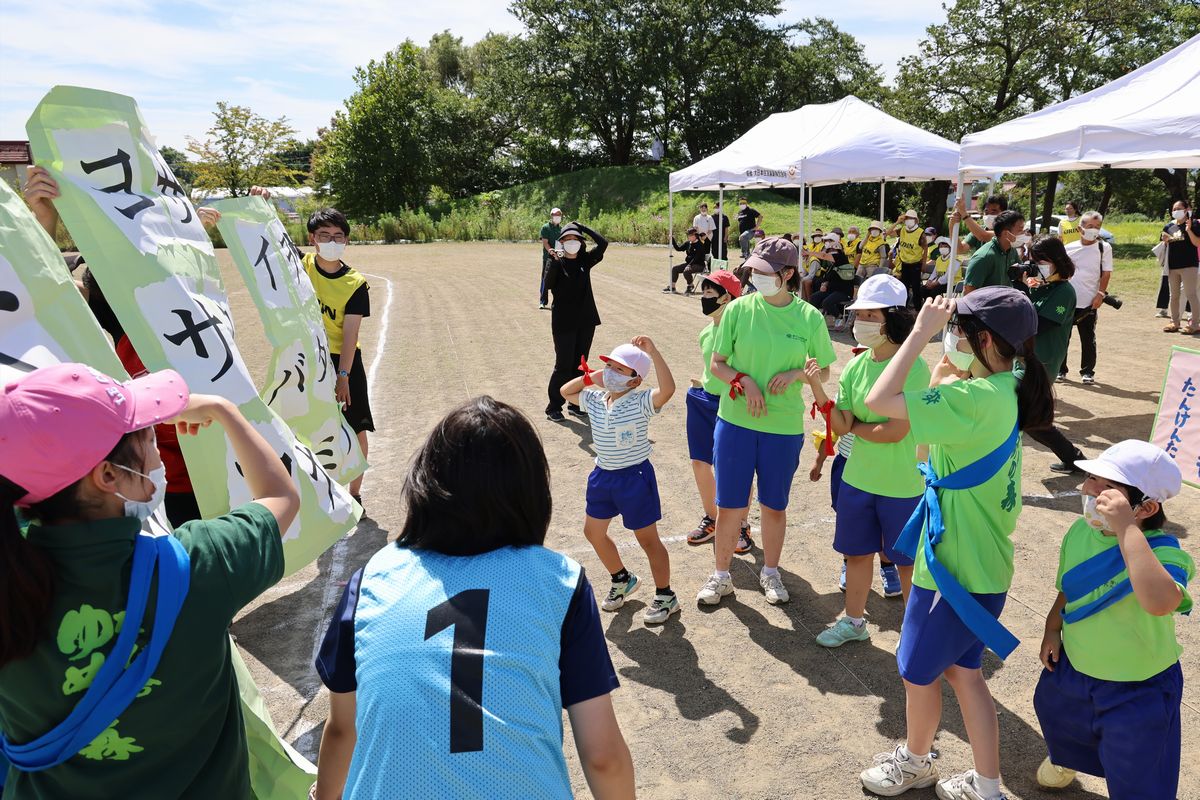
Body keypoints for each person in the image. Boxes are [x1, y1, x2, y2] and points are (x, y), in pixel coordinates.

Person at [0, 363, 300, 798]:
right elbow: (280, 498)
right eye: (143, 433)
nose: (157, 447)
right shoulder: (198, 564)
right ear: (107, 477)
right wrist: (224, 411)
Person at [312, 396, 634, 800]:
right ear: (531, 493)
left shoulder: (373, 578)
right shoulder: (559, 581)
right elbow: (603, 756)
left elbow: (343, 728)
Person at [858, 289, 1055, 800]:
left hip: (951, 572)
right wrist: (947, 364)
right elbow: (929, 439)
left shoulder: (972, 400)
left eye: (958, 331)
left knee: (915, 673)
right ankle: (987, 786)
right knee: (965, 674)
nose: (951, 338)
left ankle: (916, 762)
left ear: (983, 339)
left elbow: (878, 401)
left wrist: (920, 334)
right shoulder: (1005, 389)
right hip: (983, 567)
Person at [22, 170, 203, 527]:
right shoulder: (113, 294)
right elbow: (50, 293)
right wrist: (45, 221)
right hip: (149, 463)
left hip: (211, 455)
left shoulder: (189, 282)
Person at [1033, 441, 1191, 799]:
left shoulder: (1165, 551)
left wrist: (1126, 531)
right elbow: (1069, 588)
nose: (1090, 490)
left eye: (1108, 488)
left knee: (1138, 773)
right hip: (1076, 666)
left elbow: (1160, 602)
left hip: (1138, 687)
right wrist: (1052, 627)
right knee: (1058, 715)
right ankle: (1067, 758)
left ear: (1145, 507)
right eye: (1090, 477)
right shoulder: (1081, 532)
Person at [697, 237, 836, 607]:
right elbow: (718, 363)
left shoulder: (809, 317)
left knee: (774, 506)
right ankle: (721, 575)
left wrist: (798, 374)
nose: (753, 275)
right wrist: (743, 380)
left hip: (783, 428)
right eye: (753, 269)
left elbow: (822, 368)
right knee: (730, 506)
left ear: (787, 274)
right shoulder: (739, 310)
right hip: (735, 423)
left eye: (762, 271)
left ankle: (771, 573)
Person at [808, 276, 929, 648]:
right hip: (858, 480)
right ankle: (854, 622)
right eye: (859, 313)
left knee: (907, 563)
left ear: (893, 318)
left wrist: (857, 424)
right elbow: (842, 425)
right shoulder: (858, 366)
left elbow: (895, 432)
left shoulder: (915, 368)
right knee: (856, 554)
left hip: (902, 484)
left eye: (870, 314)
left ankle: (916, 635)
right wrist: (817, 388)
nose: (861, 322)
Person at [560, 339, 677, 625]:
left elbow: (668, 390)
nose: (610, 371)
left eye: (619, 369)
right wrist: (593, 376)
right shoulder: (597, 399)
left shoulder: (641, 401)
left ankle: (665, 595)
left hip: (634, 477)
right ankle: (621, 578)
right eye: (609, 365)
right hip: (603, 476)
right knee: (593, 532)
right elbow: (566, 392)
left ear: (636, 380)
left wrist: (654, 352)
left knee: (647, 540)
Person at [303, 208, 372, 506]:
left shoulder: (355, 284)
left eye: (338, 236)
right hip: (309, 359)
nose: (332, 241)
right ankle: (320, 492)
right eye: (324, 236)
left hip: (343, 362)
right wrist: (259, 203)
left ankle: (354, 492)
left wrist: (342, 377)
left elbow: (349, 335)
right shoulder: (300, 266)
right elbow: (266, 241)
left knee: (356, 426)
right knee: (311, 427)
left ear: (346, 241)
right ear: (312, 239)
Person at [683, 271, 753, 555]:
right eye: (705, 292)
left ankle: (742, 525)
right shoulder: (706, 331)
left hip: (732, 404)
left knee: (736, 468)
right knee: (700, 462)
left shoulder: (742, 332)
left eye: (711, 293)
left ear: (728, 298)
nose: (705, 298)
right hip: (702, 400)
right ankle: (712, 518)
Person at [1022, 236, 1086, 473]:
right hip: (1029, 360)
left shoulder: (1064, 291)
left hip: (1042, 362)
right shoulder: (1045, 286)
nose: (1037, 266)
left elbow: (1038, 323)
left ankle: (1074, 458)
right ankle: (1074, 458)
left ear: (1055, 260)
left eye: (1040, 261)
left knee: (1031, 419)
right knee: (1032, 420)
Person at [544, 222, 609, 422]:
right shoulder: (555, 260)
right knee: (563, 365)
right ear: (561, 242)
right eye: (567, 239)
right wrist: (554, 260)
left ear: (581, 243)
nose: (571, 243)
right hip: (563, 321)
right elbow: (547, 284)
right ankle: (554, 406)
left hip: (586, 320)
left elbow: (603, 242)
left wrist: (580, 226)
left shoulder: (585, 260)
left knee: (579, 365)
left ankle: (575, 403)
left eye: (575, 239)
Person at [1062, 211, 1113, 385]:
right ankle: (1061, 369)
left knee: (1088, 338)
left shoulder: (1103, 248)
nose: (1094, 230)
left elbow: (1106, 273)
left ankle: (1088, 372)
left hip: (1090, 302)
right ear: (1080, 228)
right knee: (1063, 336)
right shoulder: (1068, 248)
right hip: (1067, 300)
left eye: (1097, 227)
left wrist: (1100, 294)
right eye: (1090, 226)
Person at [961, 210, 1028, 294]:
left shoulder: (1011, 250)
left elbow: (1019, 274)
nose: (1024, 233)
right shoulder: (984, 257)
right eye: (1020, 230)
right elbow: (968, 291)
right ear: (1006, 234)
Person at [1161, 200, 1200, 335]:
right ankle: (1174, 322)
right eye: (1174, 209)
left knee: (1191, 294)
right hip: (1173, 266)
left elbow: (1197, 243)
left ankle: (1195, 324)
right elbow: (1163, 241)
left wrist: (1189, 231)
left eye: (1179, 208)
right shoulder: (1169, 226)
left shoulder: (1193, 224)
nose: (1175, 211)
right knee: (1174, 296)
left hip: (1189, 265)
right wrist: (1164, 241)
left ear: (1185, 210)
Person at [809, 232, 857, 323]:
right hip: (832, 290)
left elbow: (824, 255)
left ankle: (839, 317)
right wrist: (824, 283)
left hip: (843, 292)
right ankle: (813, 319)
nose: (830, 253)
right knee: (814, 297)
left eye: (832, 251)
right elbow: (827, 277)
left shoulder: (842, 258)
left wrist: (808, 253)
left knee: (827, 302)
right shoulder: (831, 265)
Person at [887, 210, 929, 309]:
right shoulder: (902, 230)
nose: (908, 220)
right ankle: (903, 309)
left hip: (915, 264)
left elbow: (925, 248)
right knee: (903, 288)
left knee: (916, 288)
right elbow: (888, 233)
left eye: (911, 218)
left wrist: (924, 264)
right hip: (904, 264)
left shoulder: (920, 233)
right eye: (906, 218)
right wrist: (897, 221)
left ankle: (918, 310)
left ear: (915, 220)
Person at [665, 227, 709, 294]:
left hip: (699, 265)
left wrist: (689, 265)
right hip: (689, 264)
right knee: (675, 269)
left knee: (686, 271)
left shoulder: (700, 245)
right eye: (688, 235)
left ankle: (690, 286)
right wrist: (672, 240)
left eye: (690, 235)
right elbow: (678, 248)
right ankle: (672, 287)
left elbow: (696, 258)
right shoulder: (688, 243)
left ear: (695, 236)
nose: (689, 237)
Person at [538, 207, 564, 310]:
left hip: (559, 258)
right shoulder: (545, 228)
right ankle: (542, 302)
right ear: (551, 216)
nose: (557, 217)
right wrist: (552, 253)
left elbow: (561, 243)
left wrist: (559, 254)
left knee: (557, 281)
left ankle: (556, 302)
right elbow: (545, 242)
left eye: (558, 215)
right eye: (555, 215)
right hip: (548, 258)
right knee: (545, 279)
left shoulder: (561, 229)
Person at [735, 196, 763, 261]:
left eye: (743, 202)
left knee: (742, 237)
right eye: (740, 203)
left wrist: (757, 227)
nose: (742, 204)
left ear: (746, 203)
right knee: (747, 254)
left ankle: (744, 252)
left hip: (750, 231)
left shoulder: (751, 210)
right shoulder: (740, 212)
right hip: (743, 233)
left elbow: (760, 216)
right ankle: (747, 260)